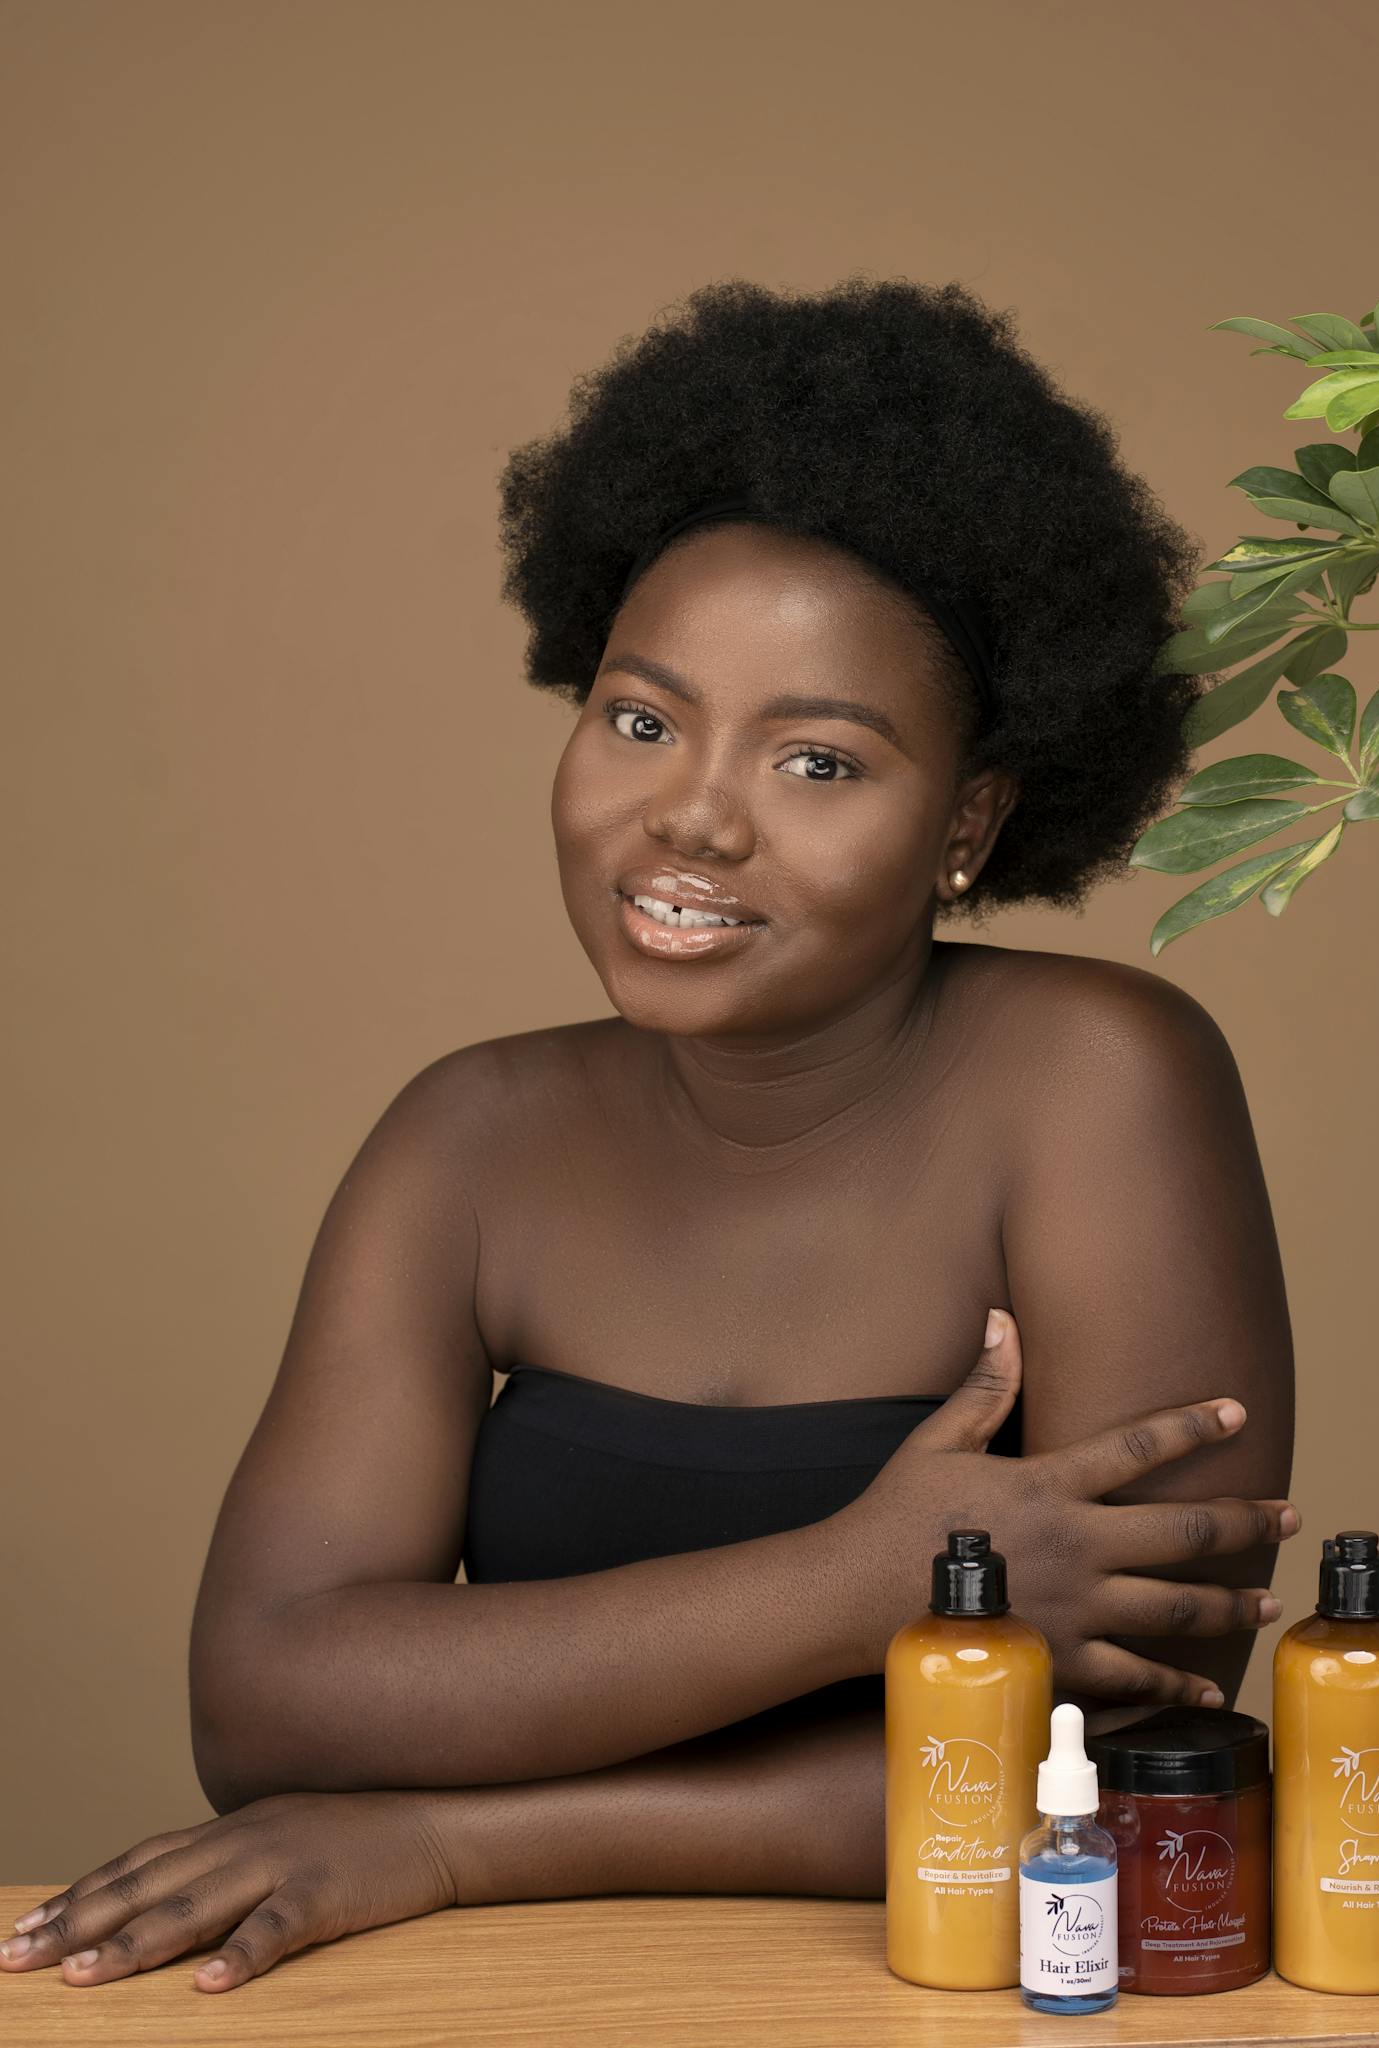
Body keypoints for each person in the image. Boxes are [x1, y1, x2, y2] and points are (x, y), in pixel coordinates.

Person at [1, 276, 1297, 1994]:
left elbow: (1142, 1762)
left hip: (975, 2004)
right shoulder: (466, 1142)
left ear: (968, 820)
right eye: (639, 718)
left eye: (818, 763)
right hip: (510, 2012)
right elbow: (266, 1704)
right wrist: (849, 1586)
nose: (687, 814)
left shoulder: (1095, 1083)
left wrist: (455, 1837)